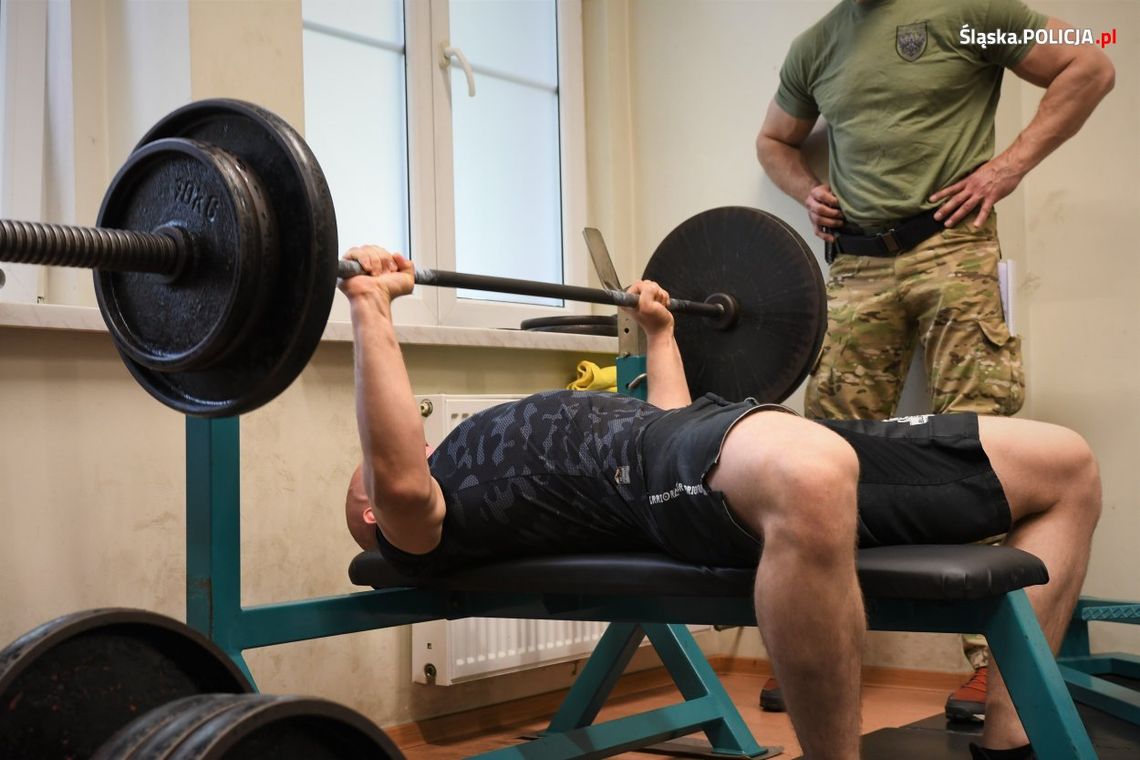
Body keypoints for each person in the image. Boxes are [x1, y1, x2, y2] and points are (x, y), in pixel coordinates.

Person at [339, 244, 1100, 760]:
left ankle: (1012, 743)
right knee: (813, 469)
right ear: (374, 515)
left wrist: (661, 332)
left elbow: (667, 423)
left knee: (1067, 464)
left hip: (701, 437)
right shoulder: (421, 522)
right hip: (656, 475)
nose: (379, 464)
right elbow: (400, 472)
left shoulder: (467, 459)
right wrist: (372, 306)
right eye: (369, 472)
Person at [755, 0, 1115, 718]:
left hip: (953, 246)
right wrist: (807, 190)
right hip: (855, 264)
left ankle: (993, 662)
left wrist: (1006, 168)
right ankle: (821, 646)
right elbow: (773, 139)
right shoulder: (815, 45)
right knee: (823, 454)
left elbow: (1091, 61)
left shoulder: (973, 11)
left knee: (979, 449)